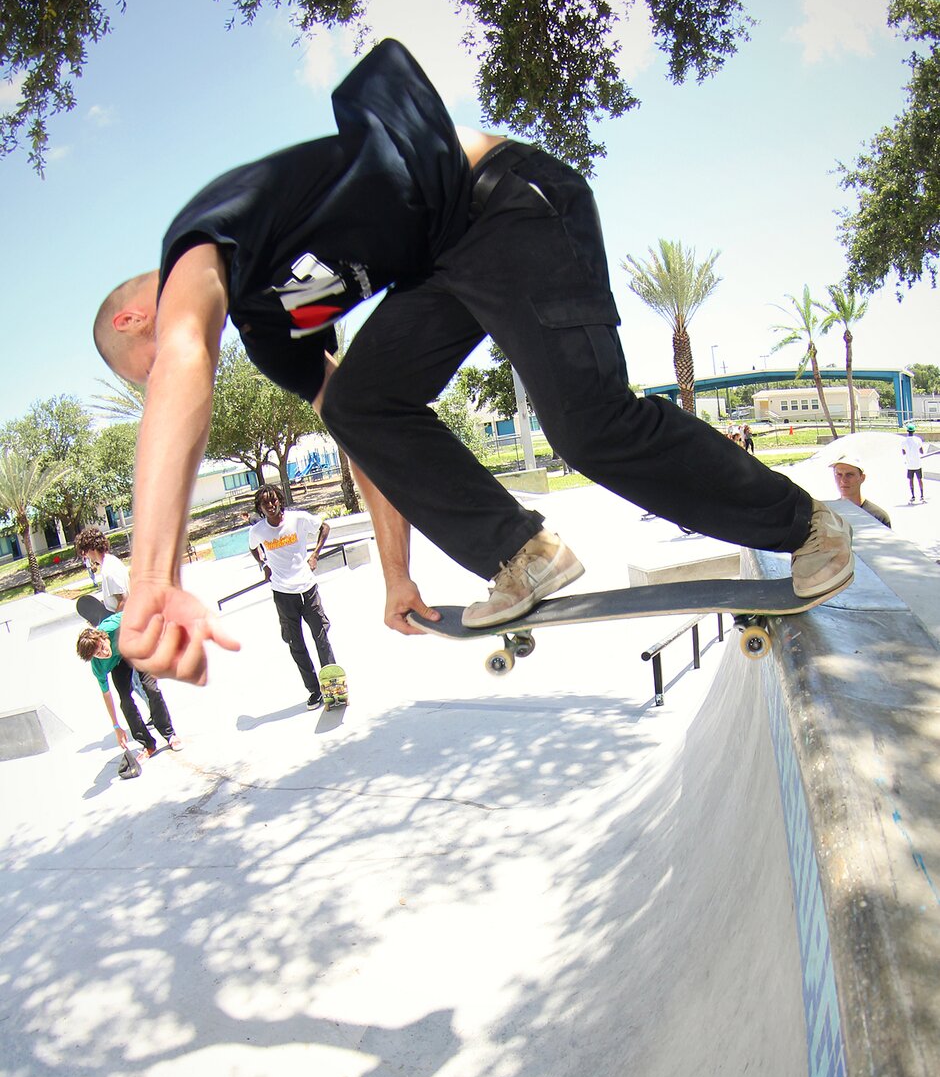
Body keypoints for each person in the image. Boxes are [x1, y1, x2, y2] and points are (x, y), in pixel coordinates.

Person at [93, 38, 853, 686]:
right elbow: (367, 443)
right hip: (446, 263)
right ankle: (524, 554)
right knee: (360, 404)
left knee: (588, 427)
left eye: (148, 370)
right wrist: (396, 572)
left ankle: (806, 526)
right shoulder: (265, 330)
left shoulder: (199, 243)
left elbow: (185, 352)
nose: (182, 374)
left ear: (136, 319)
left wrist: (154, 577)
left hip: (509, 202)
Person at [248, 484, 338, 709]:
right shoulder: (258, 531)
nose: (270, 505)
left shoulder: (297, 519)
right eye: (265, 503)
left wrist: (315, 554)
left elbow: (324, 527)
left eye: (273, 500)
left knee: (321, 637)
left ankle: (332, 686)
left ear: (279, 500)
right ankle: (314, 691)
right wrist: (262, 564)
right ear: (260, 508)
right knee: (295, 644)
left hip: (308, 588)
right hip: (282, 594)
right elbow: (253, 547)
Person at [76, 611, 182, 756]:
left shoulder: (114, 626)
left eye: (102, 647)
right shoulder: (98, 667)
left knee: (151, 688)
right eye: (98, 654)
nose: (104, 653)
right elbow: (106, 695)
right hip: (118, 665)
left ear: (103, 637)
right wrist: (116, 726)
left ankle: (170, 735)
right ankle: (148, 745)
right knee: (125, 701)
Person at [75, 525, 130, 612]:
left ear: (92, 548)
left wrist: (111, 624)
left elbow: (124, 601)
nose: (85, 556)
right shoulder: (111, 561)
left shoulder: (109, 569)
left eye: (84, 552)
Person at [830, 461, 891, 528]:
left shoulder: (878, 517)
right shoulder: (828, 514)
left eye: (849, 475)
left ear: (862, 478)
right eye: (839, 475)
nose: (843, 480)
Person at [901, 422, 926, 503]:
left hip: (909, 464)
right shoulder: (918, 440)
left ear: (907, 431)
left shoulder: (904, 441)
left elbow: (903, 452)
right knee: (920, 479)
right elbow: (922, 451)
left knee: (911, 480)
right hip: (918, 463)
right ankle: (922, 496)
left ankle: (913, 496)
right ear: (914, 431)